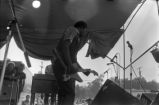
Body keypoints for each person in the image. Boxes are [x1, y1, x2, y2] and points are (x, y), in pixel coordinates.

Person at [52, 21, 98, 105]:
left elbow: (74, 61)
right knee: (69, 94)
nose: (85, 33)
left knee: (64, 93)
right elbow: (65, 46)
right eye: (85, 30)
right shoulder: (73, 30)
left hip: (63, 67)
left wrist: (88, 71)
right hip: (62, 66)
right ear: (82, 28)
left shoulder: (75, 39)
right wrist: (69, 65)